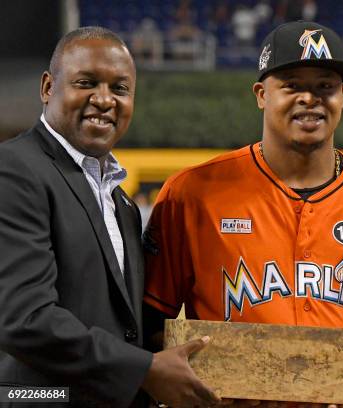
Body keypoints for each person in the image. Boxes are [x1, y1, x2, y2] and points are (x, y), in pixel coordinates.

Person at [144, 20, 343, 349]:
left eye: (325, 86)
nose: (310, 98)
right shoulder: (191, 194)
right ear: (262, 95)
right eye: (292, 85)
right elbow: (150, 324)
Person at [0, 27, 220, 408]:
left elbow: (126, 326)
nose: (104, 100)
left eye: (119, 89)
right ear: (48, 87)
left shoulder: (122, 204)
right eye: (86, 82)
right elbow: (26, 317)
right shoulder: (14, 170)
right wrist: (146, 370)